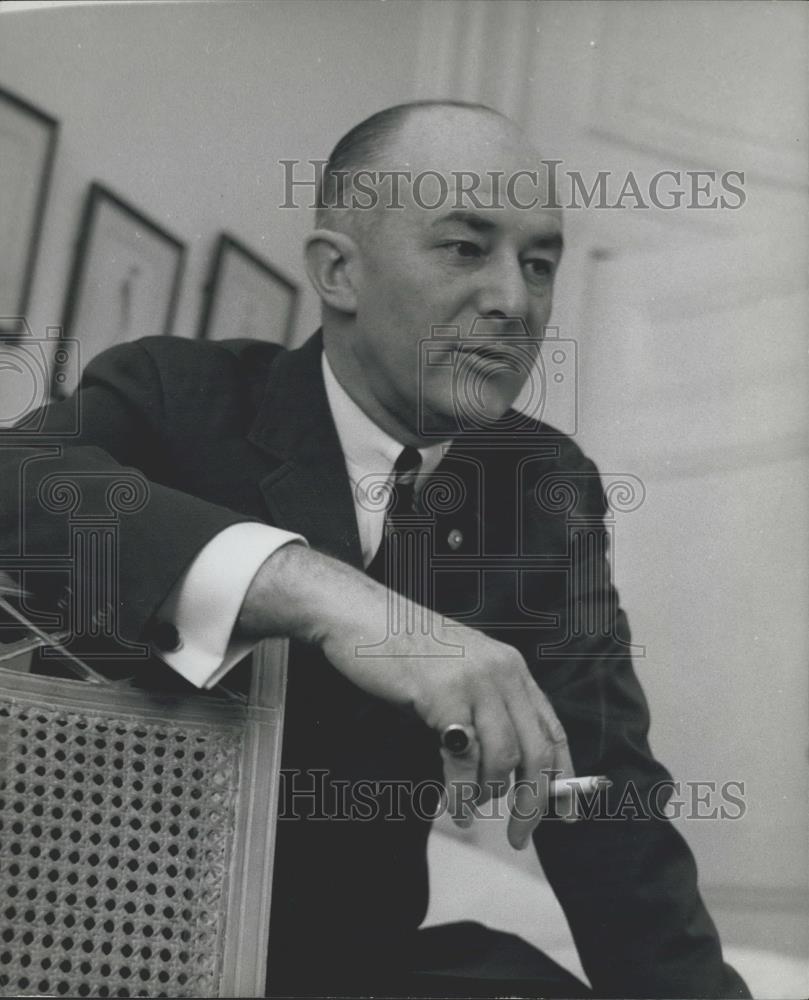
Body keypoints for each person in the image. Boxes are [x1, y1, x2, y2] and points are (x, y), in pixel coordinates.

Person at [0, 100, 749, 998]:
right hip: (93, 960)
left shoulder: (541, 484)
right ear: (337, 272)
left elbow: (601, 796)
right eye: (466, 248)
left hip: (355, 971)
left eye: (538, 263)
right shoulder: (175, 394)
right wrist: (323, 594)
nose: (514, 300)